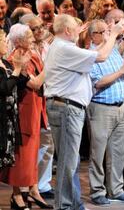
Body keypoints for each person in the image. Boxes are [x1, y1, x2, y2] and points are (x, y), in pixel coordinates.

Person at [44, 14, 124, 210]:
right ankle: (64, 206)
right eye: (75, 27)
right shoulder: (64, 48)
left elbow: (93, 56)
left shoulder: (65, 47)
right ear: (67, 31)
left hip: (66, 107)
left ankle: (74, 204)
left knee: (69, 161)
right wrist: (113, 34)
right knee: (67, 162)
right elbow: (102, 57)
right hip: (66, 109)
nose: (79, 29)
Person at [87, 9, 124, 205]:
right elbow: (98, 82)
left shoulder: (115, 52)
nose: (109, 35)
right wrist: (123, 69)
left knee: (118, 153)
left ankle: (115, 189)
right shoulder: (91, 54)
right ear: (94, 35)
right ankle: (97, 191)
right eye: (105, 32)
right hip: (100, 108)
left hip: (120, 108)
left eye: (109, 32)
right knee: (98, 152)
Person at [2, 23, 50, 210]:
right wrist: (51, 65)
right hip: (23, 112)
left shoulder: (35, 54)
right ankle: (17, 195)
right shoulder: (17, 58)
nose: (32, 38)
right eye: (29, 36)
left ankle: (33, 190)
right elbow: (35, 84)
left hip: (35, 109)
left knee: (33, 153)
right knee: (21, 156)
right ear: (19, 40)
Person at [20, 14, 55, 200]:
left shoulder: (47, 46)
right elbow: (33, 82)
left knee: (47, 144)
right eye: (34, 29)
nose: (39, 31)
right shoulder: (22, 50)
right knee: (30, 147)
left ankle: (41, 184)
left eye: (41, 27)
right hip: (31, 101)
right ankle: (26, 188)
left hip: (47, 98)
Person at [0, 30, 31, 209]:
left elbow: (16, 84)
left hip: (9, 121)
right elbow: (3, 88)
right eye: (3, 40)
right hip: (1, 120)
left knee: (4, 161)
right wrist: (18, 69)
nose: (6, 43)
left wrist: (23, 70)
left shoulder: (5, 62)